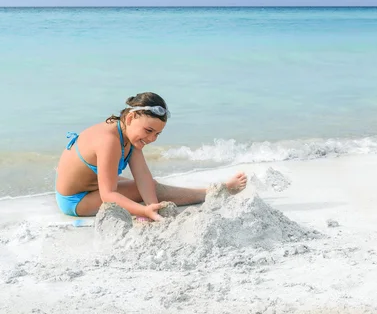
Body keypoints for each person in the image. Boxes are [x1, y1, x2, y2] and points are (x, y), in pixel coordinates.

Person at [55, 92, 247, 221]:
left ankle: (210, 192)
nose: (151, 138)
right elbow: (108, 195)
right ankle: (211, 192)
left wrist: (152, 205)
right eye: (148, 130)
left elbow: (143, 177)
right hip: (75, 200)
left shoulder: (128, 135)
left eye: (157, 134)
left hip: (91, 186)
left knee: (148, 186)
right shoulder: (109, 141)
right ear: (130, 118)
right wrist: (144, 211)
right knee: (147, 190)